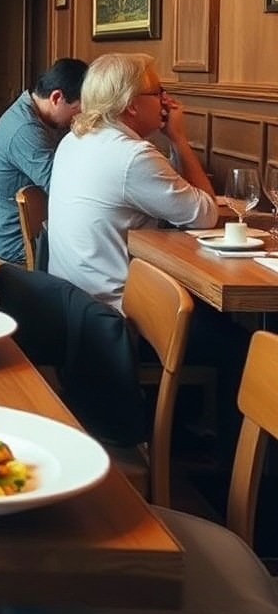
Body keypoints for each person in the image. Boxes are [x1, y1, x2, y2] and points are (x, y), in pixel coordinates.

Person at [47, 52, 246, 459]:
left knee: (209, 321)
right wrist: (179, 139)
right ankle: (233, 470)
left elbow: (177, 200)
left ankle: (177, 430)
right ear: (132, 103)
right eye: (159, 92)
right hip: (118, 318)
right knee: (240, 346)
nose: (167, 101)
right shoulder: (131, 156)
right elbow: (205, 213)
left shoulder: (75, 139)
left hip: (76, 306)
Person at [0, 57, 88, 263]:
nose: (79, 120)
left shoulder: (35, 117)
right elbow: (60, 189)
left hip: (32, 228)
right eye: (79, 111)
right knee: (100, 254)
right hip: (19, 240)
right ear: (57, 98)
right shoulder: (26, 129)